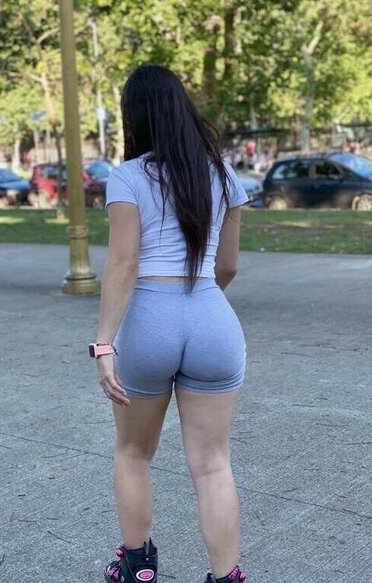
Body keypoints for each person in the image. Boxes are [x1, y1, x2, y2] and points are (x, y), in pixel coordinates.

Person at [91, 64, 248, 583]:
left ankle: (138, 567)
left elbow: (123, 264)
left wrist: (103, 344)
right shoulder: (224, 176)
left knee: (133, 453)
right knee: (213, 464)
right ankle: (226, 577)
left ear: (134, 116)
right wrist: (198, 307)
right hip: (211, 314)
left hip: (148, 320)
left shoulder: (128, 176)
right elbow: (228, 266)